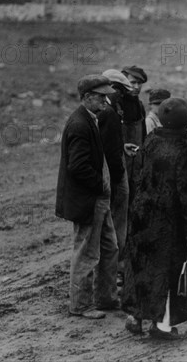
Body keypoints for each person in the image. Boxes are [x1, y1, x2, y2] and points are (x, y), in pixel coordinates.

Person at [121, 97, 187, 339]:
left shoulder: (151, 140)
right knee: (167, 273)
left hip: (141, 215)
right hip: (170, 223)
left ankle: (135, 316)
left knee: (140, 266)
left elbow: (140, 175)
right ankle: (161, 326)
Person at [55, 74, 120, 319]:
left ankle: (106, 298)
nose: (105, 99)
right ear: (86, 98)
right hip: (89, 200)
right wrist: (101, 185)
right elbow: (78, 166)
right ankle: (80, 305)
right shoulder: (80, 124)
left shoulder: (90, 118)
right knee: (86, 253)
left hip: (97, 199)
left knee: (110, 248)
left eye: (106, 95)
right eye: (101, 96)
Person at [100, 69, 133, 278]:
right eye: (119, 90)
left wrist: (122, 148)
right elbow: (104, 147)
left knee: (117, 224)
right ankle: (113, 272)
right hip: (113, 176)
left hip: (114, 173)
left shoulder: (111, 111)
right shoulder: (107, 113)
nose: (121, 95)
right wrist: (118, 175)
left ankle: (116, 269)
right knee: (114, 224)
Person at [120, 65, 148, 203]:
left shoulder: (140, 106)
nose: (136, 86)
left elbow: (144, 136)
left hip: (137, 163)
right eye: (132, 82)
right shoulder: (115, 105)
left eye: (139, 83)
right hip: (120, 163)